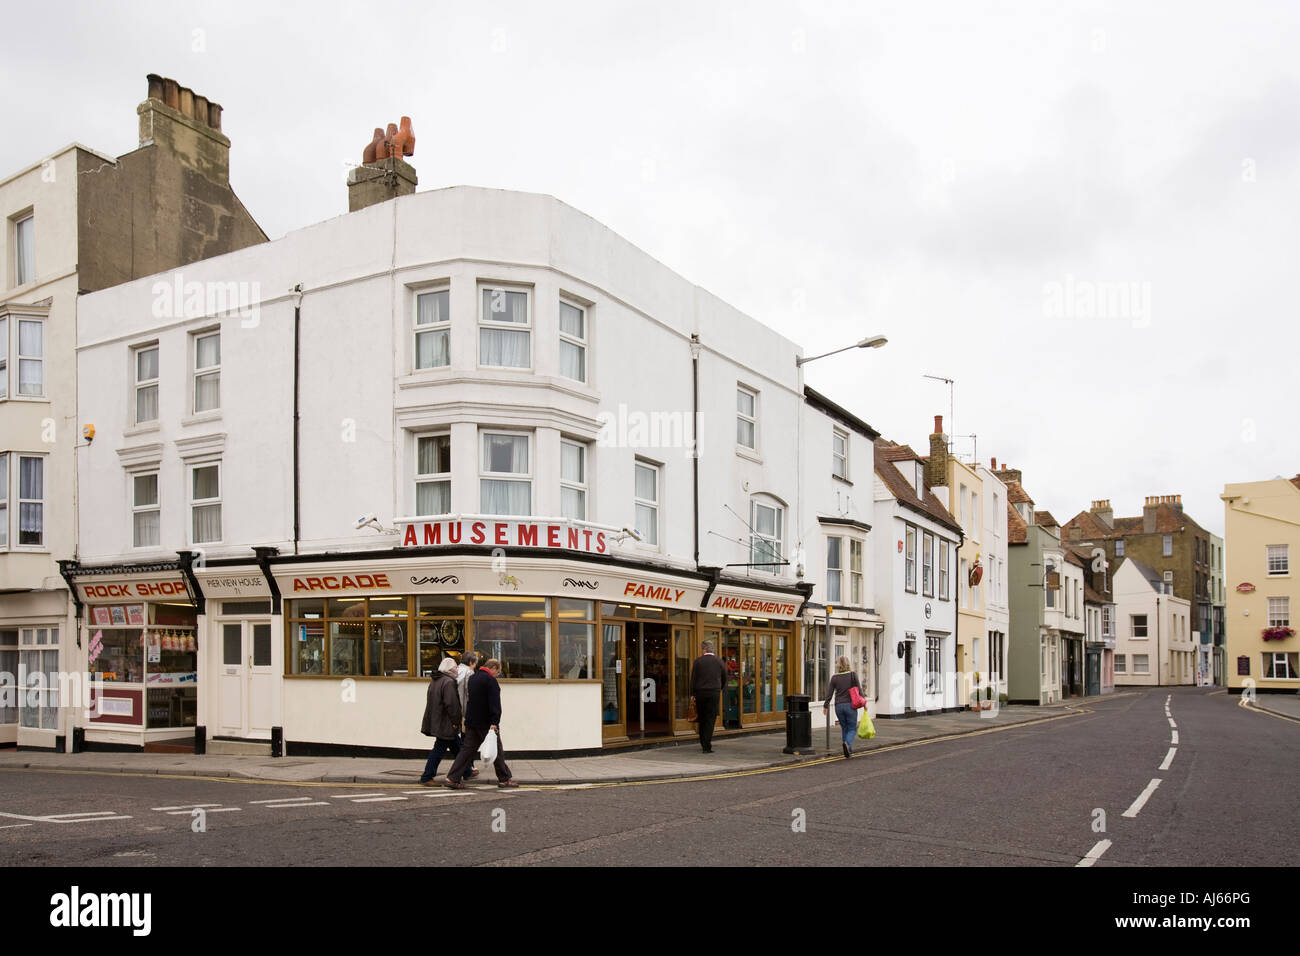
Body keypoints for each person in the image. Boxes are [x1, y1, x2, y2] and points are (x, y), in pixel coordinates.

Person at [444, 658, 517, 789]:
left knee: (466, 751)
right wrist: (495, 722)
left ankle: (452, 778)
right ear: (493, 668)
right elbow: (494, 704)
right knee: (497, 751)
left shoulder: (474, 678)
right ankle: (504, 779)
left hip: (472, 721)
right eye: (498, 672)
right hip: (486, 723)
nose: (497, 675)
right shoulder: (490, 681)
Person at [417, 657, 474, 785]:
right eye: (455, 668)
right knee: (439, 750)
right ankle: (427, 776)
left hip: (439, 720)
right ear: (448, 670)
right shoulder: (448, 682)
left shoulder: (435, 681)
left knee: (458, 747)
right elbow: (451, 704)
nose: (457, 670)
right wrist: (456, 721)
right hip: (446, 723)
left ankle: (467, 771)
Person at [822, 656, 863, 759]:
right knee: (852, 728)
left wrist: (825, 705)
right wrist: (864, 703)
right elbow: (859, 690)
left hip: (838, 706)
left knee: (845, 728)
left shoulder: (834, 678)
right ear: (848, 664)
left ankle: (848, 751)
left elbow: (829, 694)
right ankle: (847, 744)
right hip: (850, 705)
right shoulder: (853, 675)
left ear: (838, 665)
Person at [689, 640, 726, 753]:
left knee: (702, 718)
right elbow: (724, 676)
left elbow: (693, 679)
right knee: (710, 718)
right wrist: (720, 688)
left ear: (704, 649)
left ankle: (702, 742)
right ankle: (706, 745)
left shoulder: (698, 661)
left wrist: (692, 694)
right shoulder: (719, 661)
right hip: (714, 693)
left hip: (700, 693)